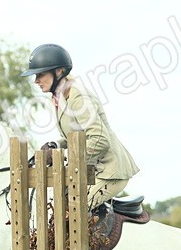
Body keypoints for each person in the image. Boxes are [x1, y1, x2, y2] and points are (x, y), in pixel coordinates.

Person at [21, 44, 139, 213]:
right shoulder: (58, 97)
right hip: (91, 170)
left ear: (59, 71)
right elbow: (77, 136)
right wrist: (56, 145)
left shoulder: (78, 96)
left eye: (40, 74)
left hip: (109, 172)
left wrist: (65, 155)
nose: (36, 81)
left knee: (74, 212)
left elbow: (100, 139)